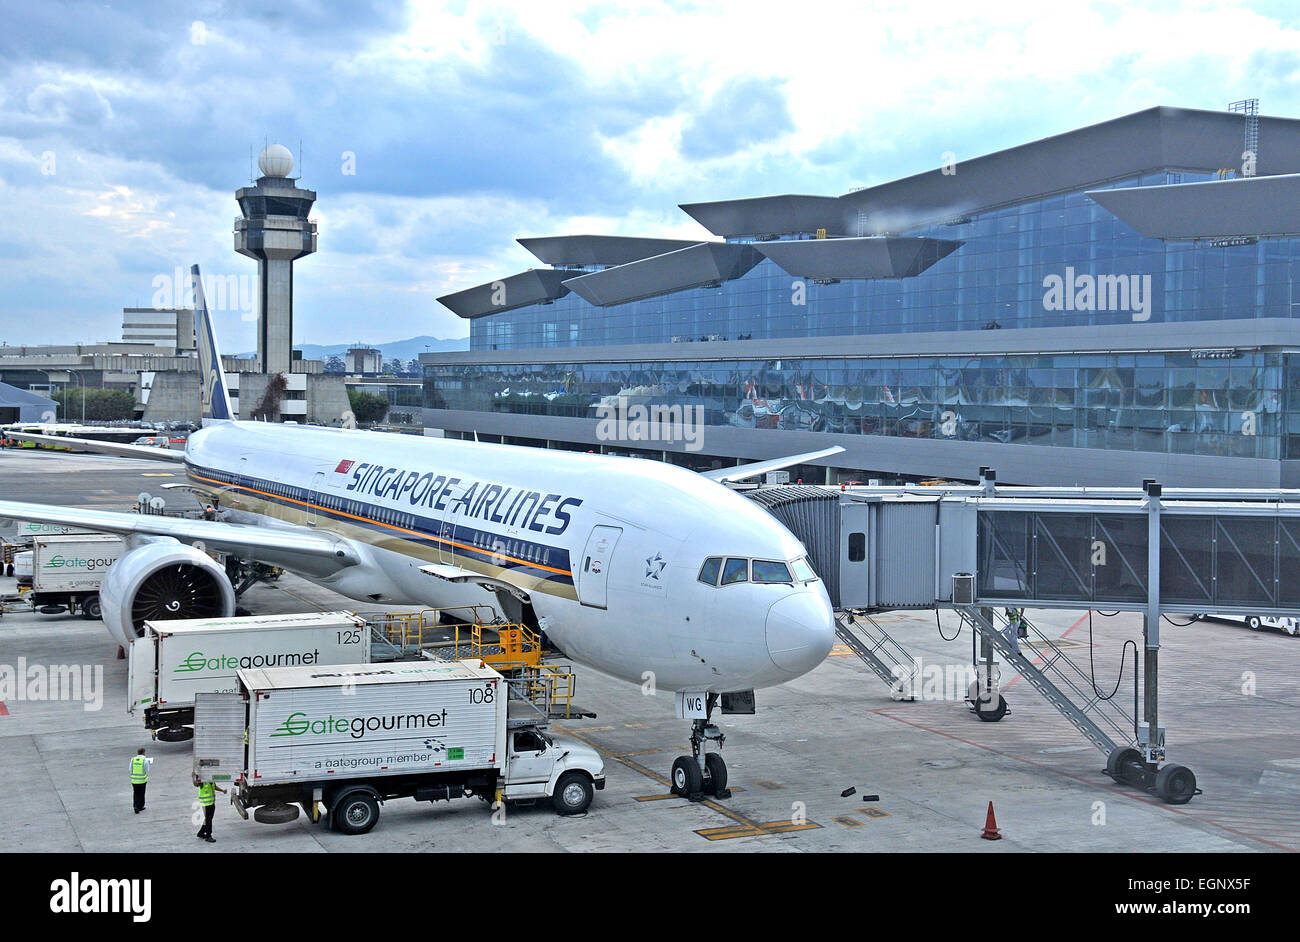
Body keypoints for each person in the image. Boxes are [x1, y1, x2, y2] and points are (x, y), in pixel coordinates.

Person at [194, 775, 226, 843]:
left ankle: (201, 833)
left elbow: (214, 786)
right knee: (208, 819)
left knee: (209, 818)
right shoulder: (202, 779)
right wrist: (193, 777)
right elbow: (196, 784)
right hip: (205, 803)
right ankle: (208, 836)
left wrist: (222, 790)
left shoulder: (211, 779)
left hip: (211, 802)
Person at [130, 747, 152, 813]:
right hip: (142, 780)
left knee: (136, 793)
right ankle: (140, 806)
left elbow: (130, 769)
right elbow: (147, 770)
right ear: (143, 753)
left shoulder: (133, 759)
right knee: (141, 793)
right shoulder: (145, 760)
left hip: (134, 780)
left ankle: (135, 806)